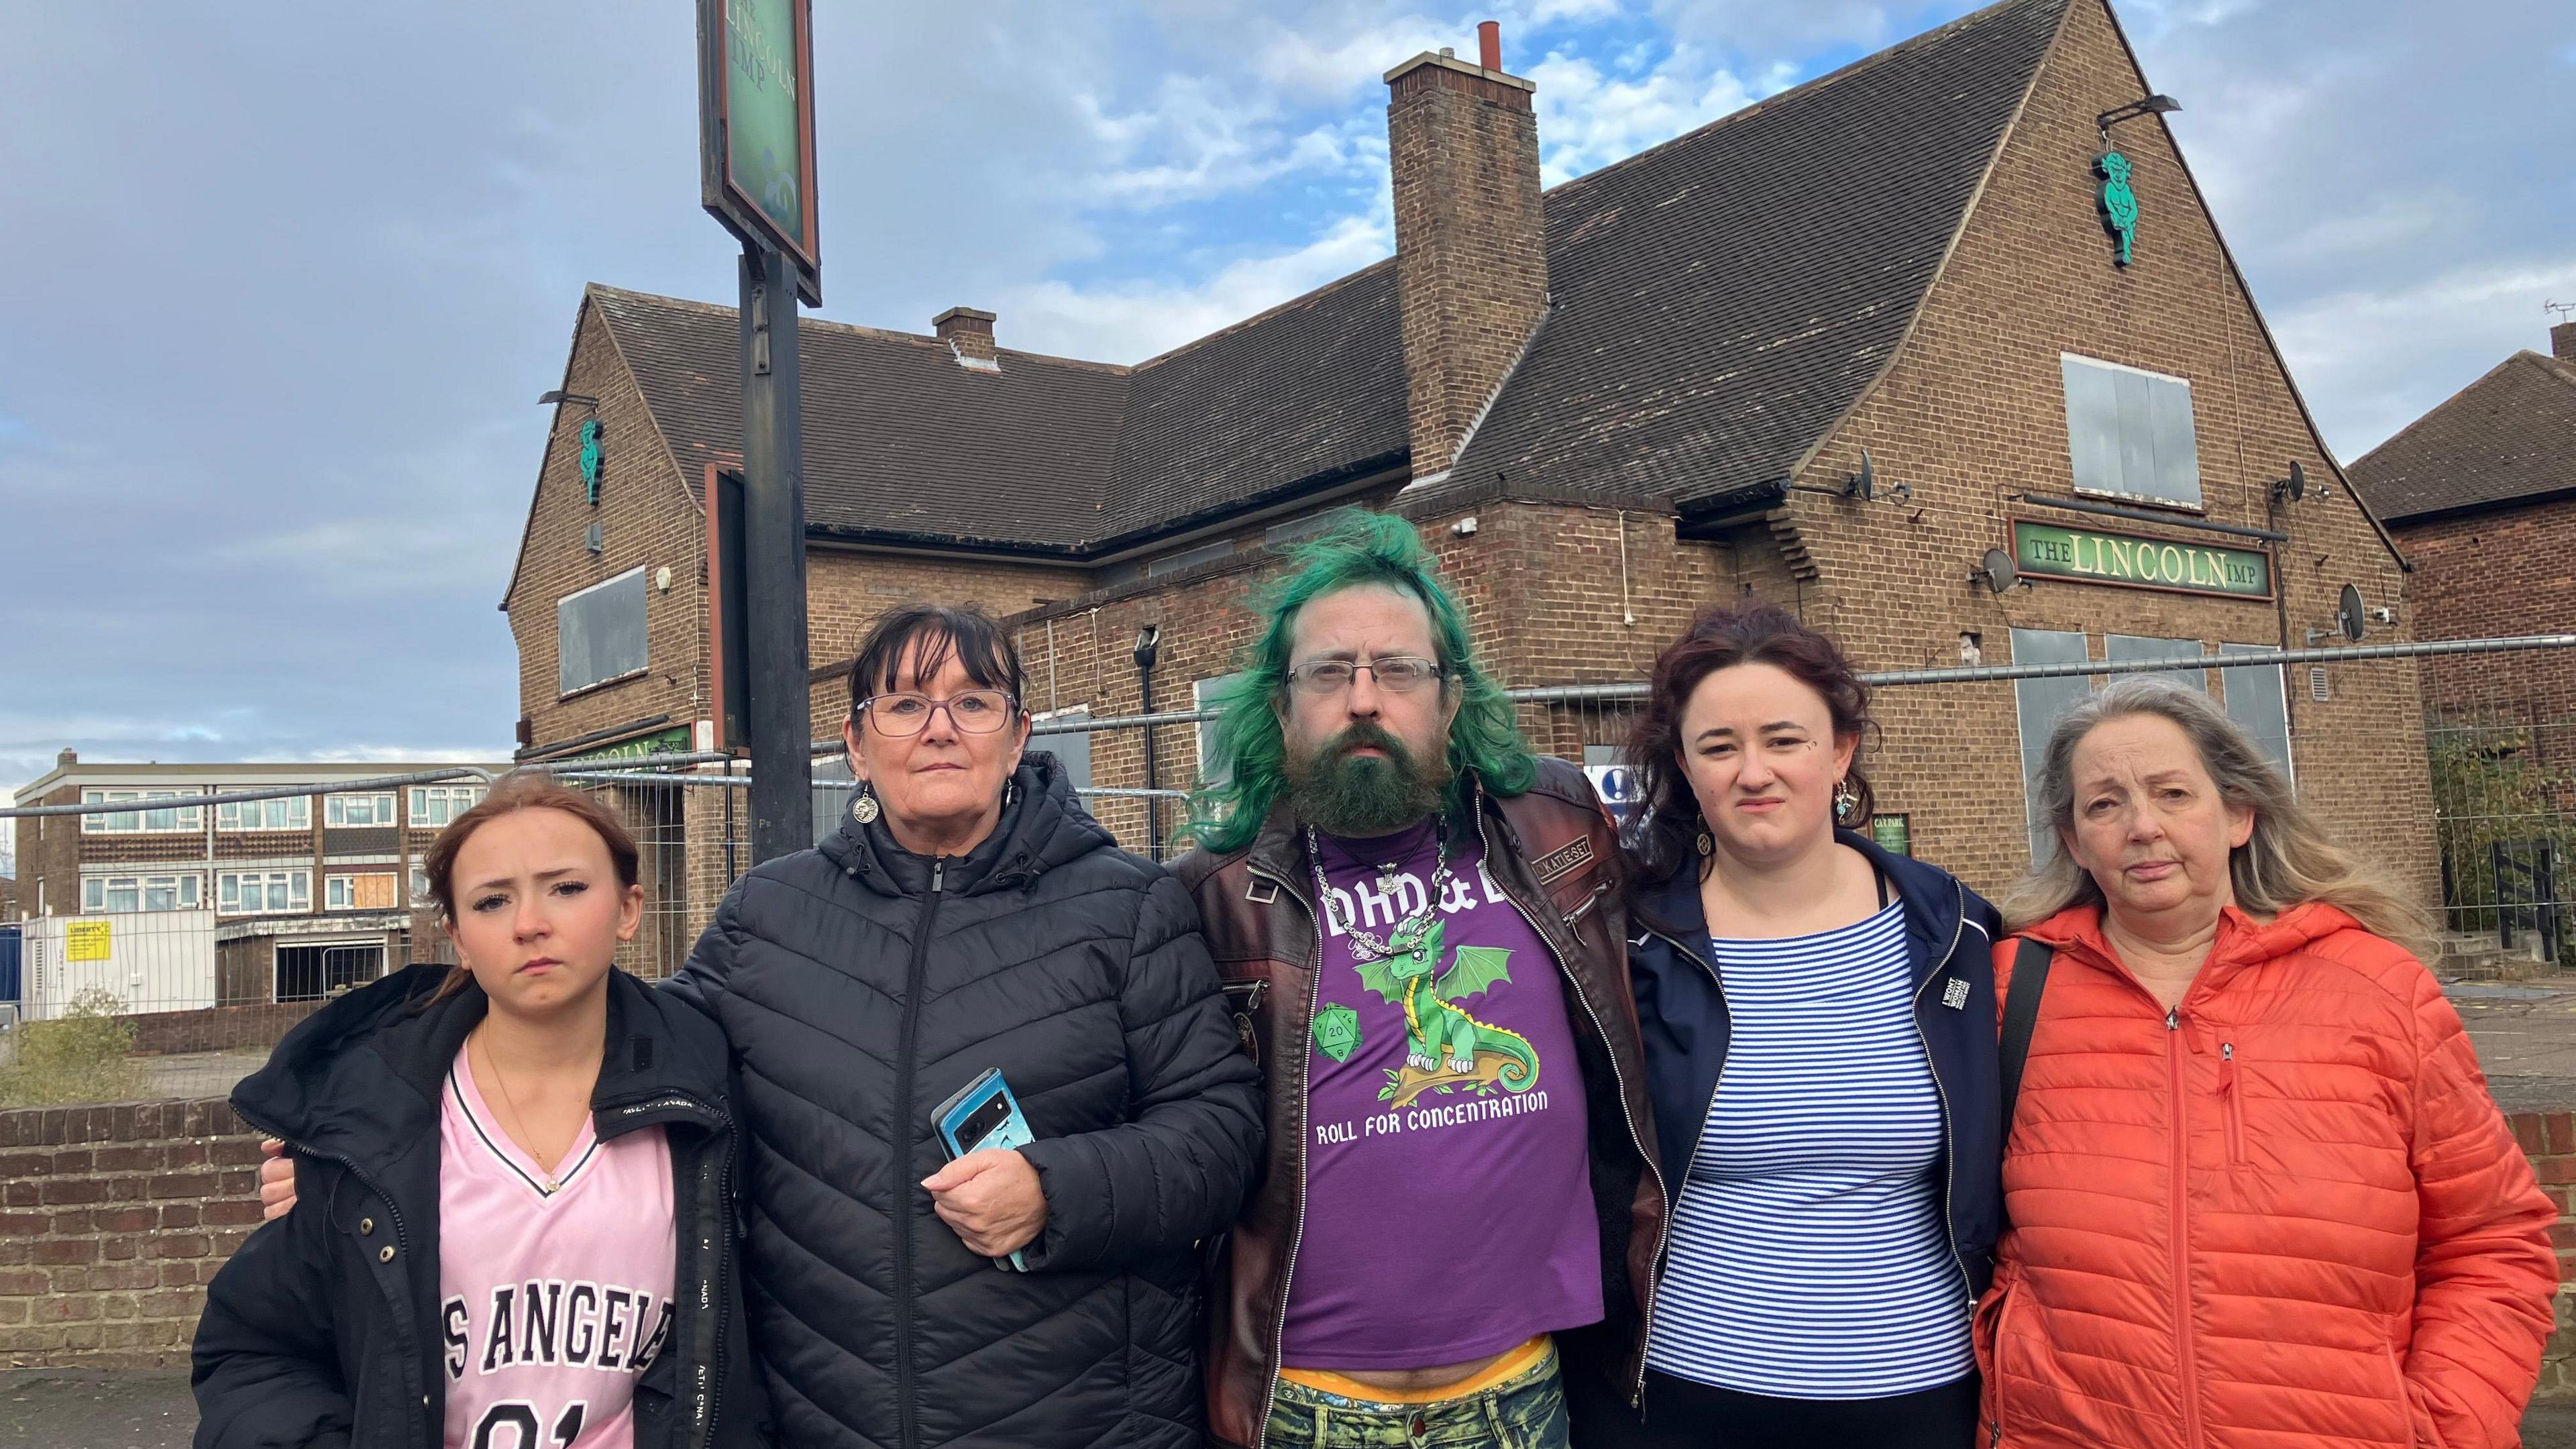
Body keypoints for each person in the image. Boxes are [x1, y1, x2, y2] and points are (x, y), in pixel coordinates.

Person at [264, 604, 1265, 1449]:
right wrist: (369, 1160)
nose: (940, 728)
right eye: (907, 704)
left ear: (1018, 732)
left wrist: (1059, 1190)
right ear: (857, 741)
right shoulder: (768, 916)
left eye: (973, 701)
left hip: (1083, 1420)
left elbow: (1222, 1135)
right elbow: (614, 1059)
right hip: (824, 1420)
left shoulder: (1128, 907)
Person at [1176, 511, 1664, 1449]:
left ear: (1450, 700)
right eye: (1330, 672)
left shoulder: (1555, 829)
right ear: (1280, 710)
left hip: (1521, 1394)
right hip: (1305, 1406)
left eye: (1398, 670)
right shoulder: (1215, 893)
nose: (1365, 699)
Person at [1980, 678, 2559, 1448]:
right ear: (2076, 841)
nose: (2142, 826)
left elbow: (2493, 1243)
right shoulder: (2006, 991)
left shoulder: (2378, 990)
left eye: (2172, 793)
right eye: (2104, 804)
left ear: (2240, 815)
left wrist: (2446, 1427)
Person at [197, 773, 768, 1449]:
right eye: (493, 901)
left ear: (628, 907)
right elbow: (255, 1352)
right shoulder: (368, 1126)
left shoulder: (710, 1091)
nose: (531, 923)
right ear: (459, 937)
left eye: (567, 888)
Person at [1586, 602, 2002, 1448]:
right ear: (1684, 768)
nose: (1753, 772)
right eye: (1719, 746)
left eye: (1785, 740)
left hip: (1917, 1393)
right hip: (1687, 1393)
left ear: (1841, 751)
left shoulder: (1957, 932)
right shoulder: (1630, 951)